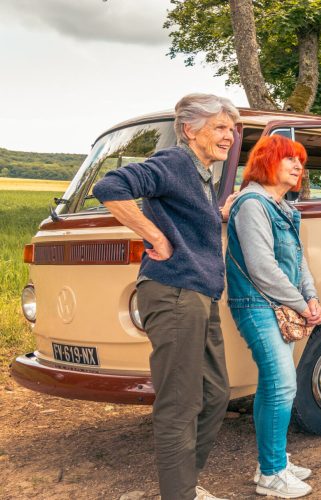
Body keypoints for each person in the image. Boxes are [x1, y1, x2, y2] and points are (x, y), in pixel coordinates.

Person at [93, 93, 240, 500]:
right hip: (174, 292)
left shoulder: (202, 174)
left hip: (199, 294)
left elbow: (187, 219)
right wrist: (153, 235)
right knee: (181, 401)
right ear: (190, 130)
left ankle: (182, 486)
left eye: (231, 128)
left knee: (215, 395)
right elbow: (111, 186)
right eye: (220, 128)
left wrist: (218, 214)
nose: (229, 136)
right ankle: (180, 494)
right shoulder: (175, 162)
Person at [225, 134, 321, 498]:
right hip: (255, 305)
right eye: (289, 159)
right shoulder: (253, 203)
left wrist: (310, 296)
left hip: (276, 306)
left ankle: (273, 461)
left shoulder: (283, 206)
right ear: (267, 161)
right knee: (282, 384)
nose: (299, 166)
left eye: (300, 161)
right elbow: (261, 266)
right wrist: (301, 305)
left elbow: (299, 260)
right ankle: (271, 476)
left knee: (273, 385)